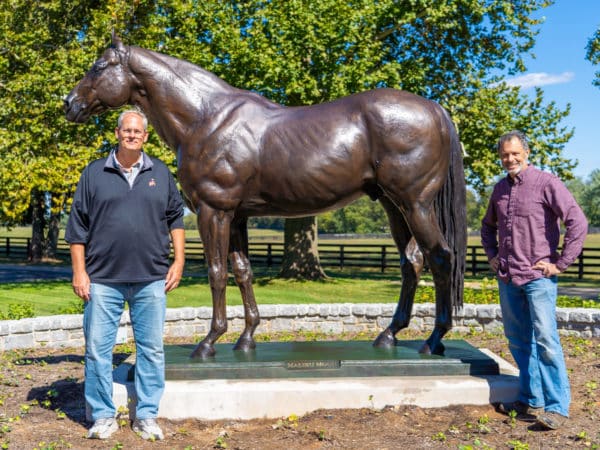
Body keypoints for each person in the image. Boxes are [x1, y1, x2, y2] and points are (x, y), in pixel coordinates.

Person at [65, 109, 185, 441]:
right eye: (126, 130)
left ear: (146, 137)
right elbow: (77, 230)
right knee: (97, 350)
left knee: (151, 349)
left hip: (151, 279)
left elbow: (176, 219)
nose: (132, 134)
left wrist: (179, 262)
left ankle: (146, 415)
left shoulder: (161, 174)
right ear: (117, 133)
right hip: (102, 280)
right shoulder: (93, 174)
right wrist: (79, 272)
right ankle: (103, 416)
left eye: (138, 131)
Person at [481, 130, 587, 430]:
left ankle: (557, 407)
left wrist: (561, 263)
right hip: (508, 277)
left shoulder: (547, 183)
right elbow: (487, 227)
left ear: (526, 153)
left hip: (538, 278)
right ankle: (530, 399)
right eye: (504, 154)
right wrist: (492, 255)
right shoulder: (500, 189)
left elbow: (577, 221)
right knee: (518, 341)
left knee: (546, 342)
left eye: (515, 153)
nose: (510, 159)